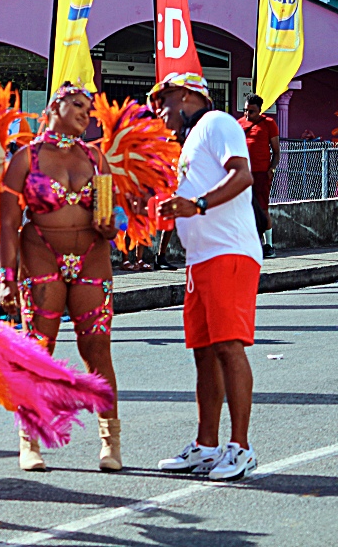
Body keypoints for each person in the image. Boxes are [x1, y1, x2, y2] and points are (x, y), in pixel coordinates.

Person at [0, 82, 123, 473]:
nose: (86, 113)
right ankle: (29, 441)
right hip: (41, 255)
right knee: (37, 351)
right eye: (78, 105)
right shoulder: (25, 158)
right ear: (55, 105)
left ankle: (110, 442)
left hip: (91, 257)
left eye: (89, 108)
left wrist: (110, 223)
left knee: (98, 348)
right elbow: (6, 221)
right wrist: (5, 276)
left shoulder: (95, 158)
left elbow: (111, 213)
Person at [150, 72, 261, 481]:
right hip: (201, 259)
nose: (159, 110)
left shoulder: (217, 123)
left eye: (163, 100)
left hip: (228, 252)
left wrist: (196, 204)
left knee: (229, 346)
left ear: (186, 95)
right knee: (203, 351)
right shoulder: (188, 142)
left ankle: (241, 447)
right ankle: (207, 445)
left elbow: (243, 174)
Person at [238, 94, 280, 258]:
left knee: (262, 208)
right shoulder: (239, 124)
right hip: (242, 174)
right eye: (246, 110)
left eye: (252, 111)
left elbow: (276, 152)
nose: (248, 115)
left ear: (260, 110)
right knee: (242, 208)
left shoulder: (269, 124)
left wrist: (271, 170)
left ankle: (268, 244)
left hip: (261, 173)